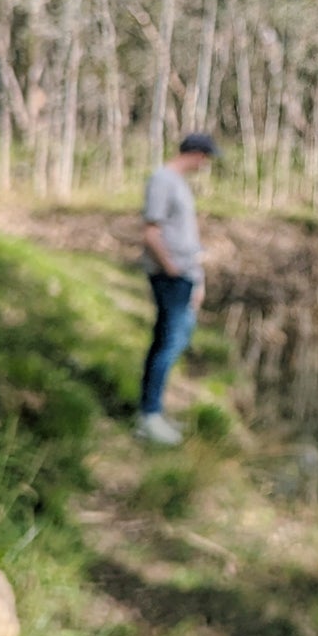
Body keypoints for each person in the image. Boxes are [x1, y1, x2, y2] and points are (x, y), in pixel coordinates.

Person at [135, 132, 218, 444]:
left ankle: (154, 411)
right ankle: (149, 416)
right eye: (206, 158)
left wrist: (195, 278)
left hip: (184, 275)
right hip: (170, 276)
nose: (206, 164)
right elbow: (151, 232)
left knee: (176, 339)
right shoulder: (162, 180)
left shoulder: (178, 183)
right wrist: (172, 269)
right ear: (196, 153)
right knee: (168, 342)